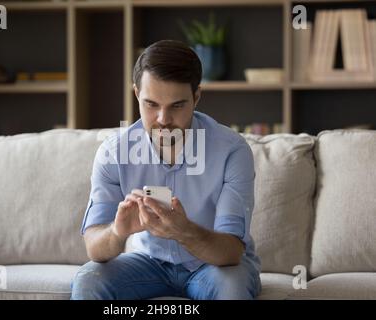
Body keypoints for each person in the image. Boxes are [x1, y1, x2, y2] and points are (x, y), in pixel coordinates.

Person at [70, 40, 261, 300]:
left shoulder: (232, 150)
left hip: (213, 266)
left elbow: (230, 252)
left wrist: (184, 231)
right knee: (89, 280)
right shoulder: (114, 152)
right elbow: (94, 246)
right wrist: (118, 232)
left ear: (196, 97)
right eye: (151, 104)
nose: (163, 120)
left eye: (177, 105)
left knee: (232, 287)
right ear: (137, 94)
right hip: (147, 263)